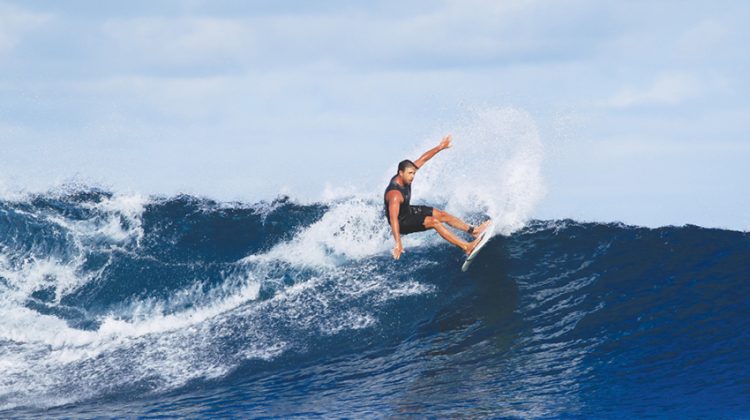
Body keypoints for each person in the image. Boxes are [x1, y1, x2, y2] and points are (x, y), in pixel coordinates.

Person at [384, 134, 491, 260]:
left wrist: (440, 147)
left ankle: (474, 231)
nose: (412, 176)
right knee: (434, 222)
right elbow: (393, 220)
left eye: (413, 173)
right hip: (402, 223)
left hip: (407, 210)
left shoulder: (407, 174)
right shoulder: (395, 195)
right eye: (409, 174)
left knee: (441, 214)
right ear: (400, 173)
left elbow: (423, 159)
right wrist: (398, 243)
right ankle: (466, 247)